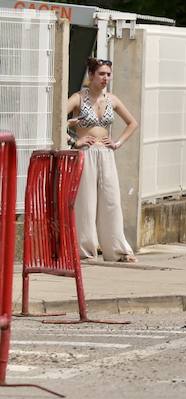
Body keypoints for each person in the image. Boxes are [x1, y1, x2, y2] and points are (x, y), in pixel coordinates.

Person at [66, 57, 139, 262]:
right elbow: (55, 118)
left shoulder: (112, 99)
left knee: (111, 201)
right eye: (101, 74)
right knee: (86, 203)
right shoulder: (78, 98)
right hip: (86, 153)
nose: (105, 78)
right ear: (91, 75)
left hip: (106, 154)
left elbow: (132, 123)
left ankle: (117, 251)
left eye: (108, 74)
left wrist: (117, 143)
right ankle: (85, 251)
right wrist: (74, 141)